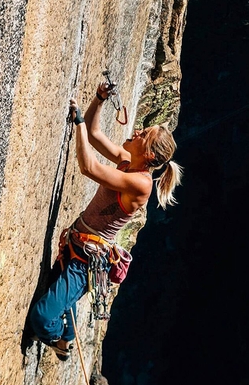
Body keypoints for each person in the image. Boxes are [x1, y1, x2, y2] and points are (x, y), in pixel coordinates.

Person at [29, 80, 183, 360]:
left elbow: (88, 167)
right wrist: (99, 99)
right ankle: (67, 333)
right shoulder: (128, 160)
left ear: (148, 154)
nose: (136, 131)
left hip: (87, 261)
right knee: (56, 300)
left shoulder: (141, 184)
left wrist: (77, 126)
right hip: (78, 245)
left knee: (41, 318)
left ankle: (61, 340)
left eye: (143, 134)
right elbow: (94, 131)